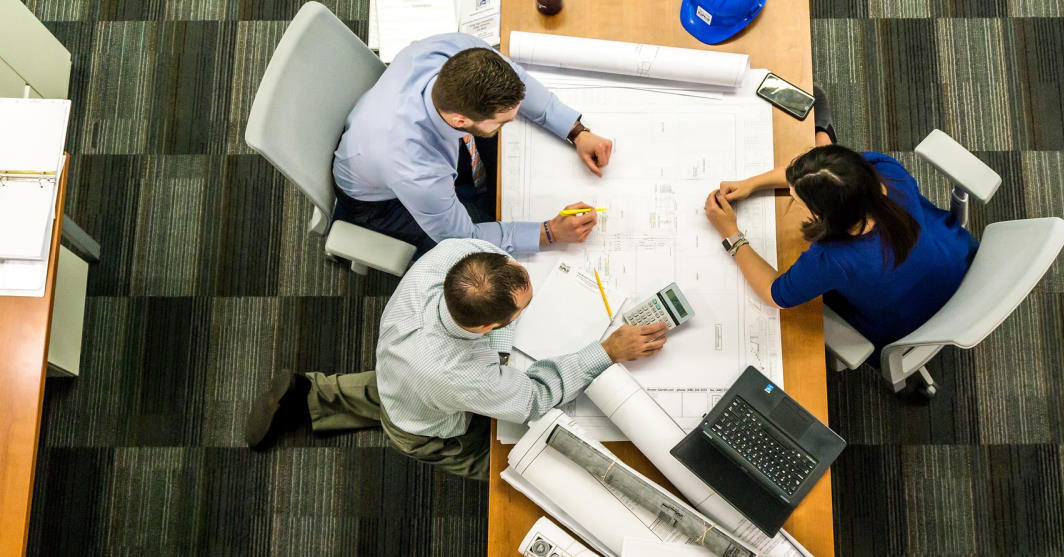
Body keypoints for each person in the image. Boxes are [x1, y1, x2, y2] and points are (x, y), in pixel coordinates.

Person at [244, 239, 668, 480]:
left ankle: (311, 393)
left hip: (401, 366)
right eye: (522, 309)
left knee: (396, 388)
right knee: (510, 463)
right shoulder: (458, 374)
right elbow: (534, 399)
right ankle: (518, 473)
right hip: (426, 426)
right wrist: (606, 351)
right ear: (486, 328)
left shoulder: (453, 256)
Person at [701, 93, 977, 364]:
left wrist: (731, 234)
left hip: (908, 323)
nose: (793, 200)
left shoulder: (833, 260)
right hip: (956, 261)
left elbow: (776, 294)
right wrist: (752, 183)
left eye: (798, 200)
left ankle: (823, 133)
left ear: (825, 215)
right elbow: (814, 173)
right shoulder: (884, 169)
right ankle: (825, 136)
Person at [332, 33, 614, 257]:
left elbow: (520, 81)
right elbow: (464, 238)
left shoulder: (457, 50)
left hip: (387, 140)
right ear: (460, 119)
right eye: (503, 120)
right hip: (380, 203)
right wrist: (549, 232)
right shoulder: (416, 168)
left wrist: (575, 131)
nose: (513, 121)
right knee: (487, 254)